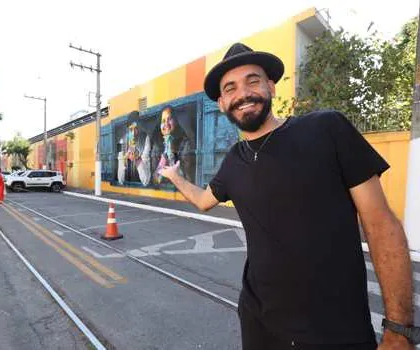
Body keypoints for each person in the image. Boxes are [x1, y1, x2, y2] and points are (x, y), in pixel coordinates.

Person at [160, 43, 415, 349]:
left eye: (252, 81)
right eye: (231, 88)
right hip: (259, 326)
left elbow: (381, 224)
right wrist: (174, 176)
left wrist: (399, 329)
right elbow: (203, 201)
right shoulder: (232, 162)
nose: (242, 93)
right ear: (222, 101)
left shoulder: (326, 129)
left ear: (270, 86)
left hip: (335, 332)